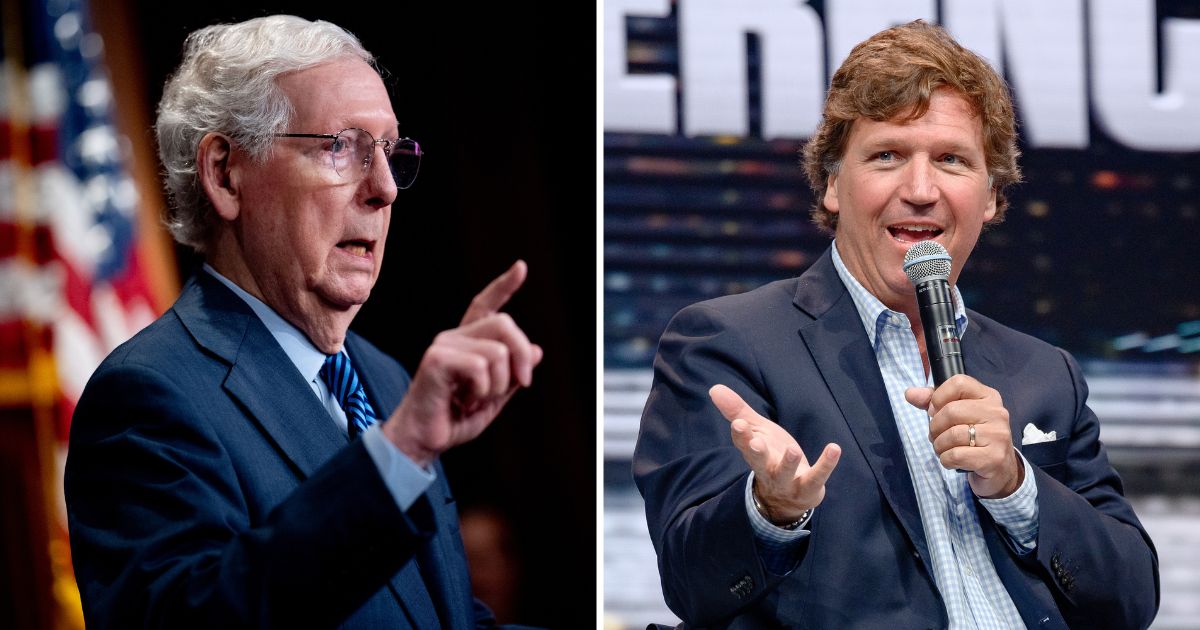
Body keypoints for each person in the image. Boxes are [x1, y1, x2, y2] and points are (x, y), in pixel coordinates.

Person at [634, 20, 1159, 629]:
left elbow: (1131, 599)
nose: (920, 189)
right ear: (833, 184)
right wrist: (771, 510)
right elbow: (690, 582)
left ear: (990, 197)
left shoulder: (1046, 373)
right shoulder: (729, 343)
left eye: (952, 160)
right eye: (887, 155)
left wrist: (1016, 484)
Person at [65, 15, 543, 629]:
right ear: (224, 174)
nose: (385, 189)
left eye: (391, 152)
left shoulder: (385, 378)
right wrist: (399, 454)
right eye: (341, 147)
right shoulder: (147, 397)